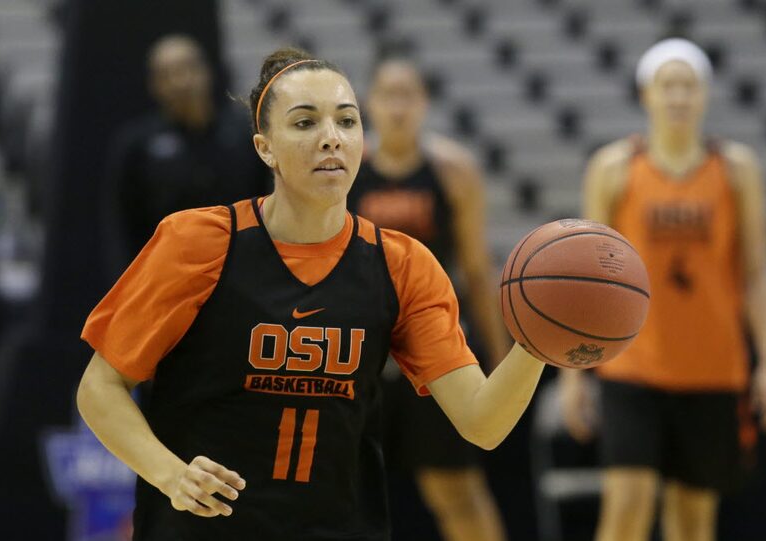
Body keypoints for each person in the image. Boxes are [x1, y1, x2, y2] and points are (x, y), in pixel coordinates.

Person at [76, 46, 546, 540]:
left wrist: (539, 341)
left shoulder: (404, 266)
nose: (331, 139)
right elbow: (98, 389)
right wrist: (169, 474)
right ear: (264, 148)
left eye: (347, 122)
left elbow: (481, 422)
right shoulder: (197, 241)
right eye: (304, 123)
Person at [559, 39, 766, 541]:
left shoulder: (736, 169)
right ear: (647, 94)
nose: (679, 97)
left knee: (692, 520)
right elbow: (585, 277)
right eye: (669, 85)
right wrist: (573, 374)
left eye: (689, 86)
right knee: (626, 509)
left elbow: (755, 272)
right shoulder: (614, 167)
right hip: (633, 366)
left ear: (704, 95)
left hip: (713, 367)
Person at [347, 53, 508, 541]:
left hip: (433, 347)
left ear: (424, 103)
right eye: (388, 95)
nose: (397, 107)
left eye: (407, 95)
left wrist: (497, 359)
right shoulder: (347, 170)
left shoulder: (453, 172)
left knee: (454, 489)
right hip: (364, 351)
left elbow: (477, 272)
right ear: (369, 103)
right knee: (347, 492)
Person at [105, 34, 272, 269]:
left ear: (207, 72)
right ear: (154, 85)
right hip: (171, 274)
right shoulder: (137, 146)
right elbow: (125, 227)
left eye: (187, 68)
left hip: (240, 271)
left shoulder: (245, 135)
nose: (180, 81)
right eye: (167, 74)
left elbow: (268, 207)